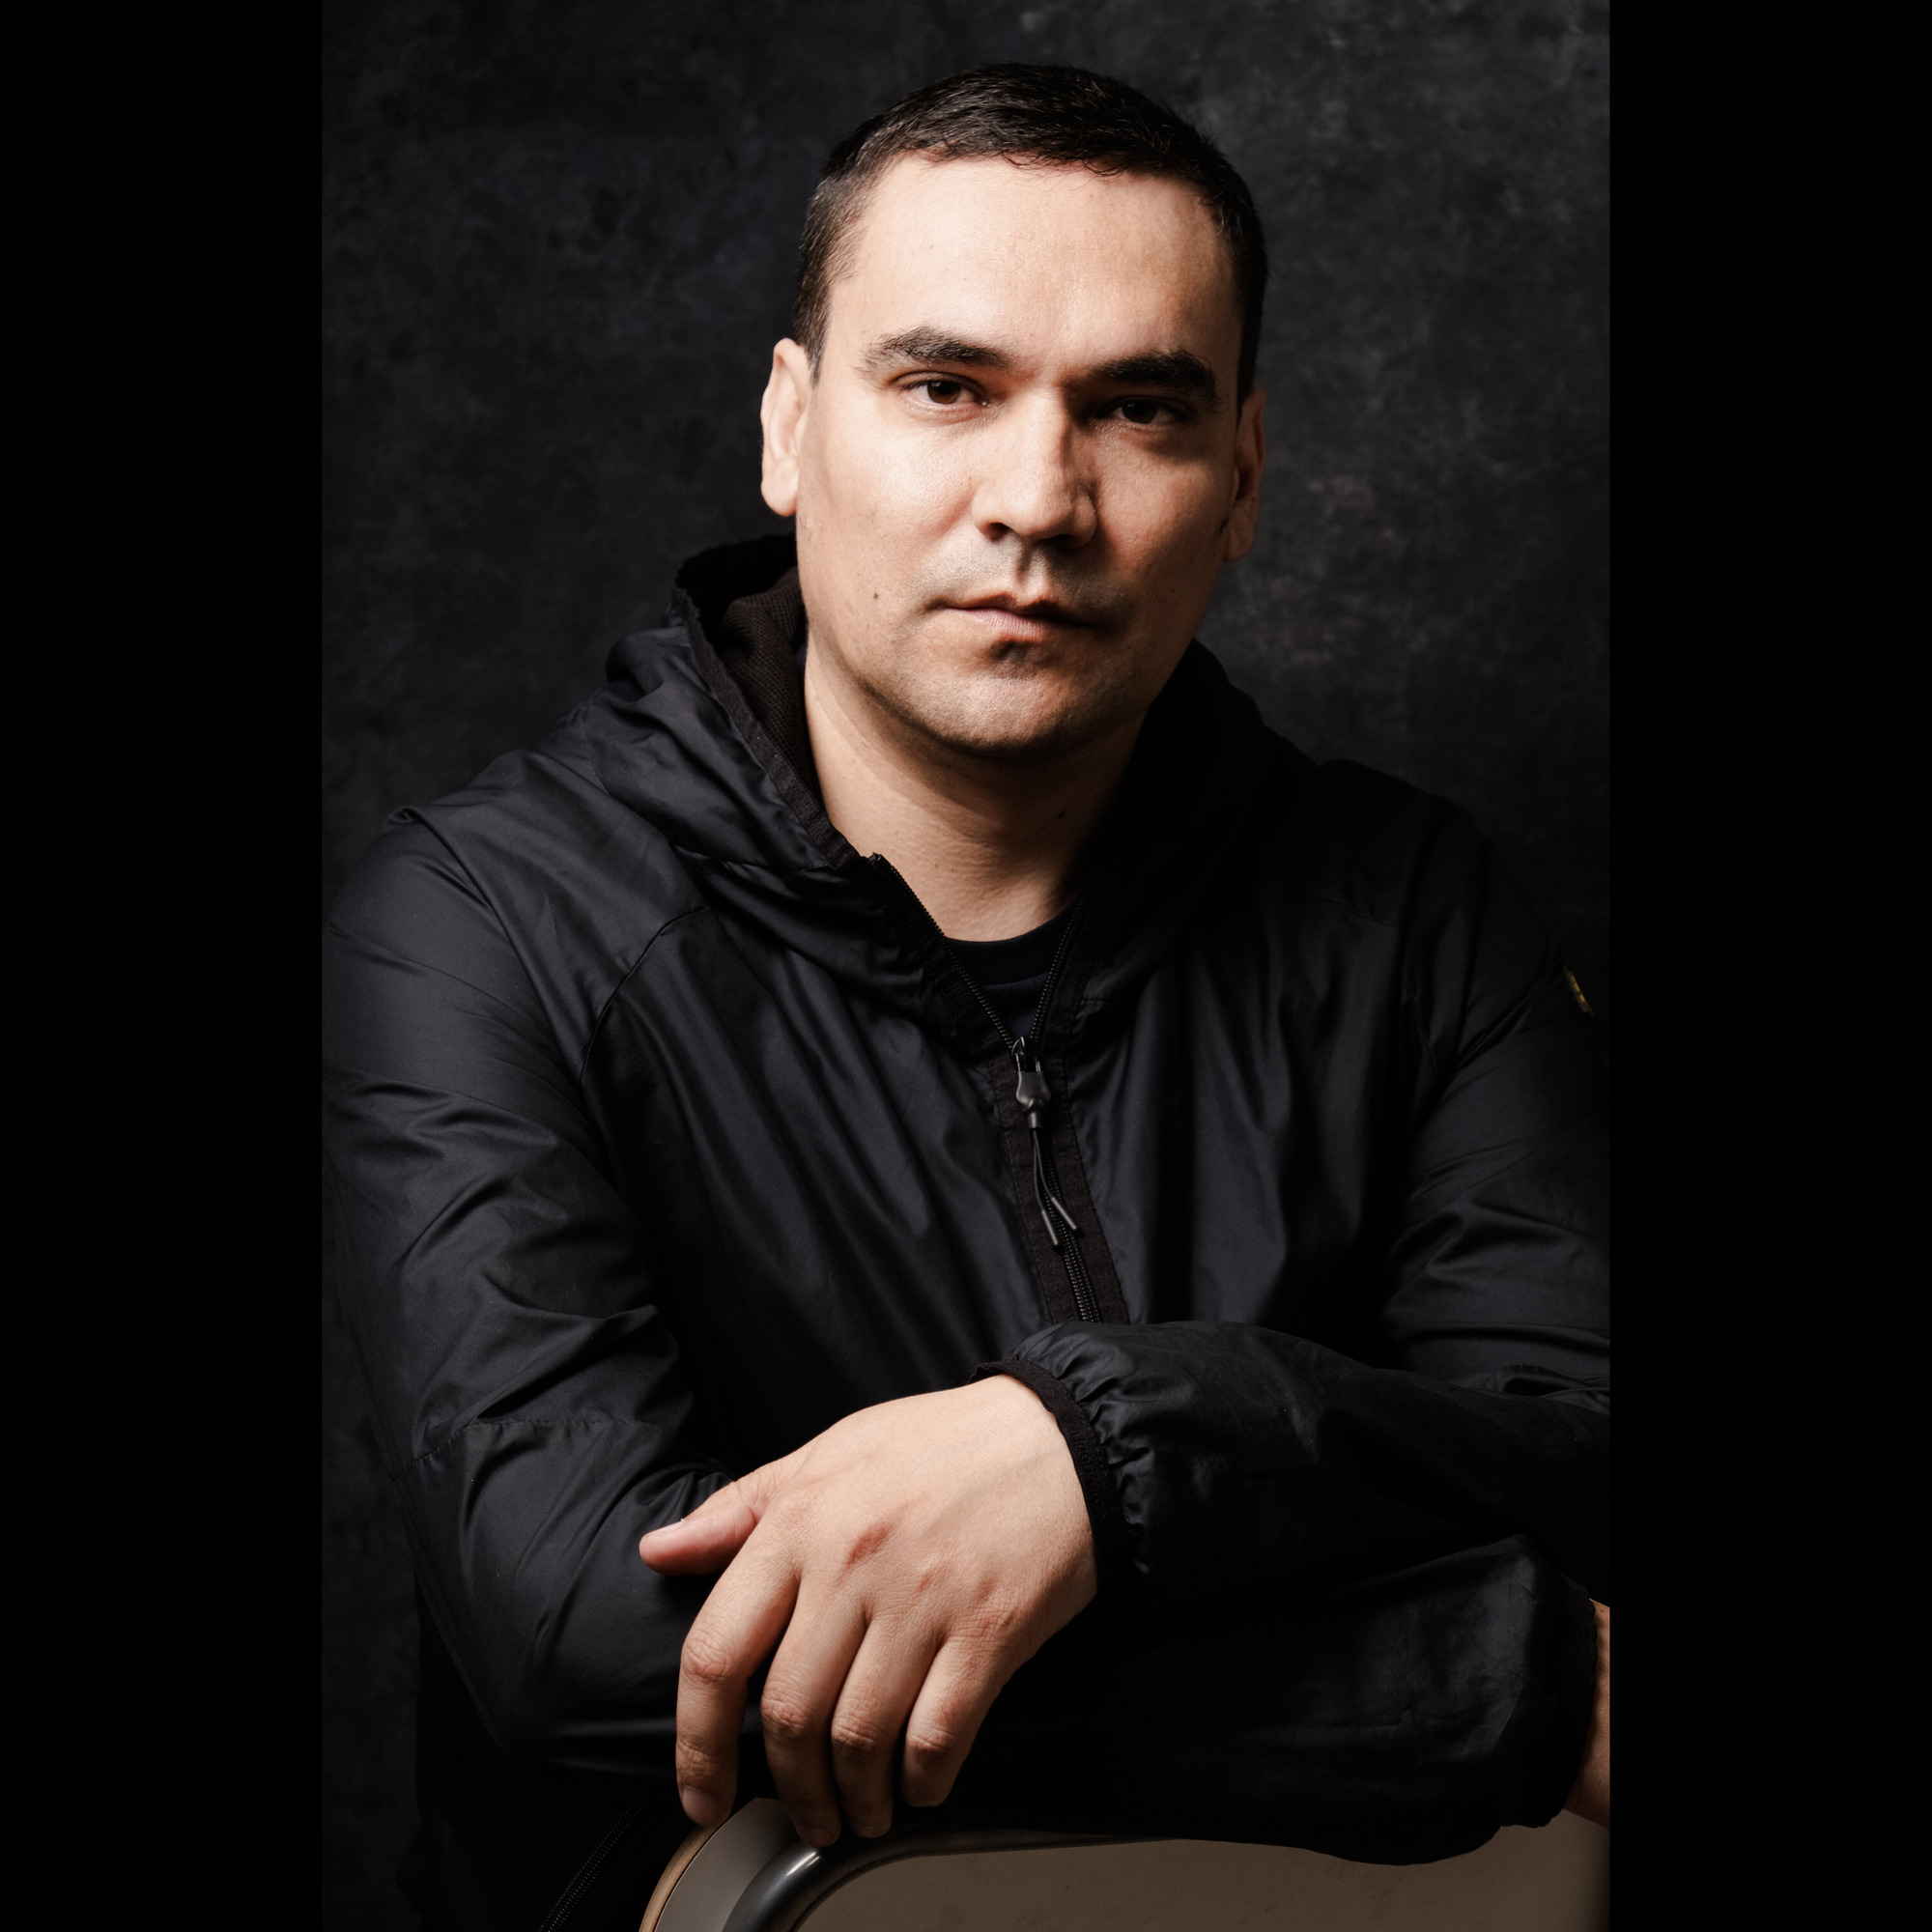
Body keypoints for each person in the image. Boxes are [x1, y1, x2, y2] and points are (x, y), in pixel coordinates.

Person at [323, 63, 1609, 1932]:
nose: (1038, 501)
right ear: (791, 429)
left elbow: (1580, 1463)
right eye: (946, 387)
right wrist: (1512, 1682)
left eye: (1139, 408)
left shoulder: (1414, 910)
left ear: (1245, 476)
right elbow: (597, 1633)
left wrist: (1110, 1455)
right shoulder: (477, 928)